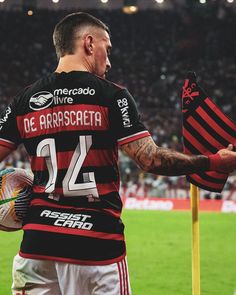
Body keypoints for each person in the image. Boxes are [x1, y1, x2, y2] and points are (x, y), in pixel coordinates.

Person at [0, 12, 235, 295]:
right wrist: (213, 162)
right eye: (107, 49)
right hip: (96, 247)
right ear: (89, 43)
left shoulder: (23, 100)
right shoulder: (111, 96)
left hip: (37, 247)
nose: (109, 61)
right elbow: (150, 159)